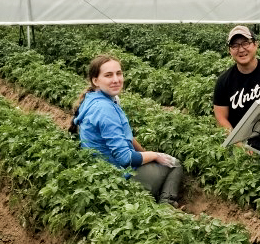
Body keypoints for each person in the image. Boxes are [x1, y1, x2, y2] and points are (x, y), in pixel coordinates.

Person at [72, 54, 183, 206]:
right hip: (119, 178)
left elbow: (126, 137)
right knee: (174, 164)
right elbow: (126, 158)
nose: (116, 79)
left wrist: (145, 153)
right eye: (108, 75)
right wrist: (154, 155)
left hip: (102, 171)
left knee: (154, 161)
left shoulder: (94, 99)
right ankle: (166, 205)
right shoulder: (105, 109)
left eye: (119, 73)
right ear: (95, 80)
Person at [213, 25, 260, 158]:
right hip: (240, 145)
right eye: (235, 45)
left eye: (246, 43)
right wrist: (238, 144)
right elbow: (221, 118)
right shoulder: (223, 81)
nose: (241, 49)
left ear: (256, 45)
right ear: (229, 50)